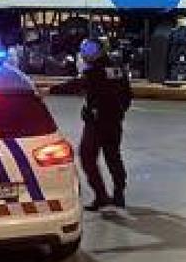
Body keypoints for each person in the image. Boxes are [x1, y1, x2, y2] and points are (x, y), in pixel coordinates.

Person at [49, 38, 133, 211]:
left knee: (87, 157)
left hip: (96, 122)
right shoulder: (117, 68)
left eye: (89, 50)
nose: (86, 54)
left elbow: (76, 85)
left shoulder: (95, 71)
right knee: (113, 156)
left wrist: (50, 90)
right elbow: (127, 94)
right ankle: (118, 193)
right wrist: (119, 112)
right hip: (113, 121)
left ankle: (101, 195)